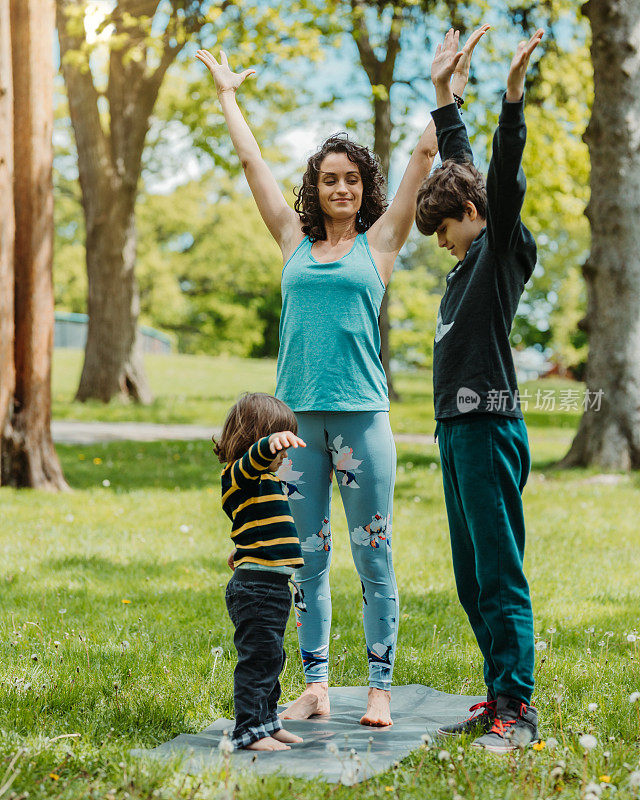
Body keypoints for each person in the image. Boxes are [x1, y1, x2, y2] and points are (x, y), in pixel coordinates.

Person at [197, 25, 488, 727]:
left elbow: (425, 152)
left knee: (374, 556)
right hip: (294, 428)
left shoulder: (380, 242)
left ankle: (381, 686)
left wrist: (444, 89)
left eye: (351, 179)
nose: (340, 188)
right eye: (329, 178)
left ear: (365, 189)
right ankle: (318, 684)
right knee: (307, 561)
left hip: (363, 418)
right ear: (316, 186)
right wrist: (229, 98)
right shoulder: (291, 242)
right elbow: (249, 162)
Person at [414, 28, 545, 752]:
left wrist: (511, 96)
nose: (439, 239)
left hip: (488, 424)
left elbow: (499, 172)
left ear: (476, 217)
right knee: (471, 577)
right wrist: (442, 100)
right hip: (454, 429)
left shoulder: (497, 251)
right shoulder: (468, 253)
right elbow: (462, 170)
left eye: (444, 228)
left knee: (498, 572)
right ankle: (498, 693)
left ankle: (518, 708)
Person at [214, 392, 306, 751]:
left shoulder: (264, 482)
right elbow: (252, 461)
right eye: (281, 444)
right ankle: (247, 730)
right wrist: (268, 445)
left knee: (272, 657)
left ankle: (267, 721)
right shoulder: (239, 474)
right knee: (258, 660)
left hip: (271, 585)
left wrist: (244, 544)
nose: (284, 454)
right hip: (257, 589)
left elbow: (254, 520)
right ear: (258, 437)